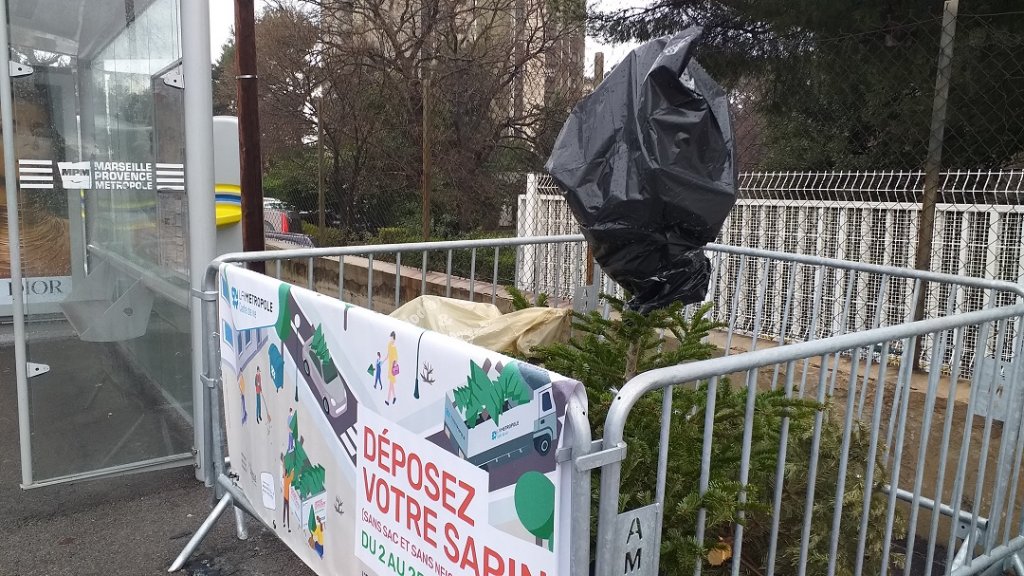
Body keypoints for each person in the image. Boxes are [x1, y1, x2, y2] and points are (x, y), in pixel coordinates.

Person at [385, 332, 399, 405]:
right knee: (391, 384)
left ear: (394, 338)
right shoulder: (389, 345)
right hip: (389, 366)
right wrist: (383, 361)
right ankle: (394, 397)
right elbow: (388, 355)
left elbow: (396, 358)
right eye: (390, 338)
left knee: (390, 384)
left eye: (392, 338)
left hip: (392, 368)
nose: (391, 340)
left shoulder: (394, 347)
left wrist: (394, 364)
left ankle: (388, 400)